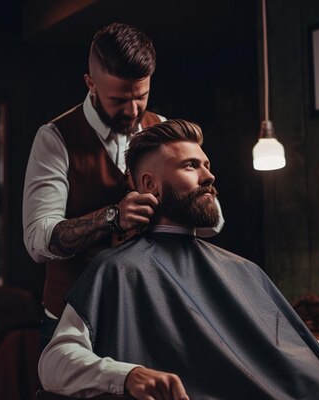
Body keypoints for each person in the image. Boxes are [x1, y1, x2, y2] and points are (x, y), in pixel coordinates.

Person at [39, 120, 319, 400]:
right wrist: (128, 375)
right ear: (149, 185)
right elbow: (54, 362)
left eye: (206, 165)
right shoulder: (117, 270)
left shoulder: (242, 269)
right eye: (190, 166)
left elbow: (268, 338)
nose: (209, 176)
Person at [22, 24, 224, 349]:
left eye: (141, 96)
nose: (132, 111)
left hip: (146, 314)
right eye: (118, 99)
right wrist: (111, 217)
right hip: (73, 321)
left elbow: (213, 223)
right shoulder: (56, 138)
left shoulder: (161, 130)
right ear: (91, 83)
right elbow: (37, 240)